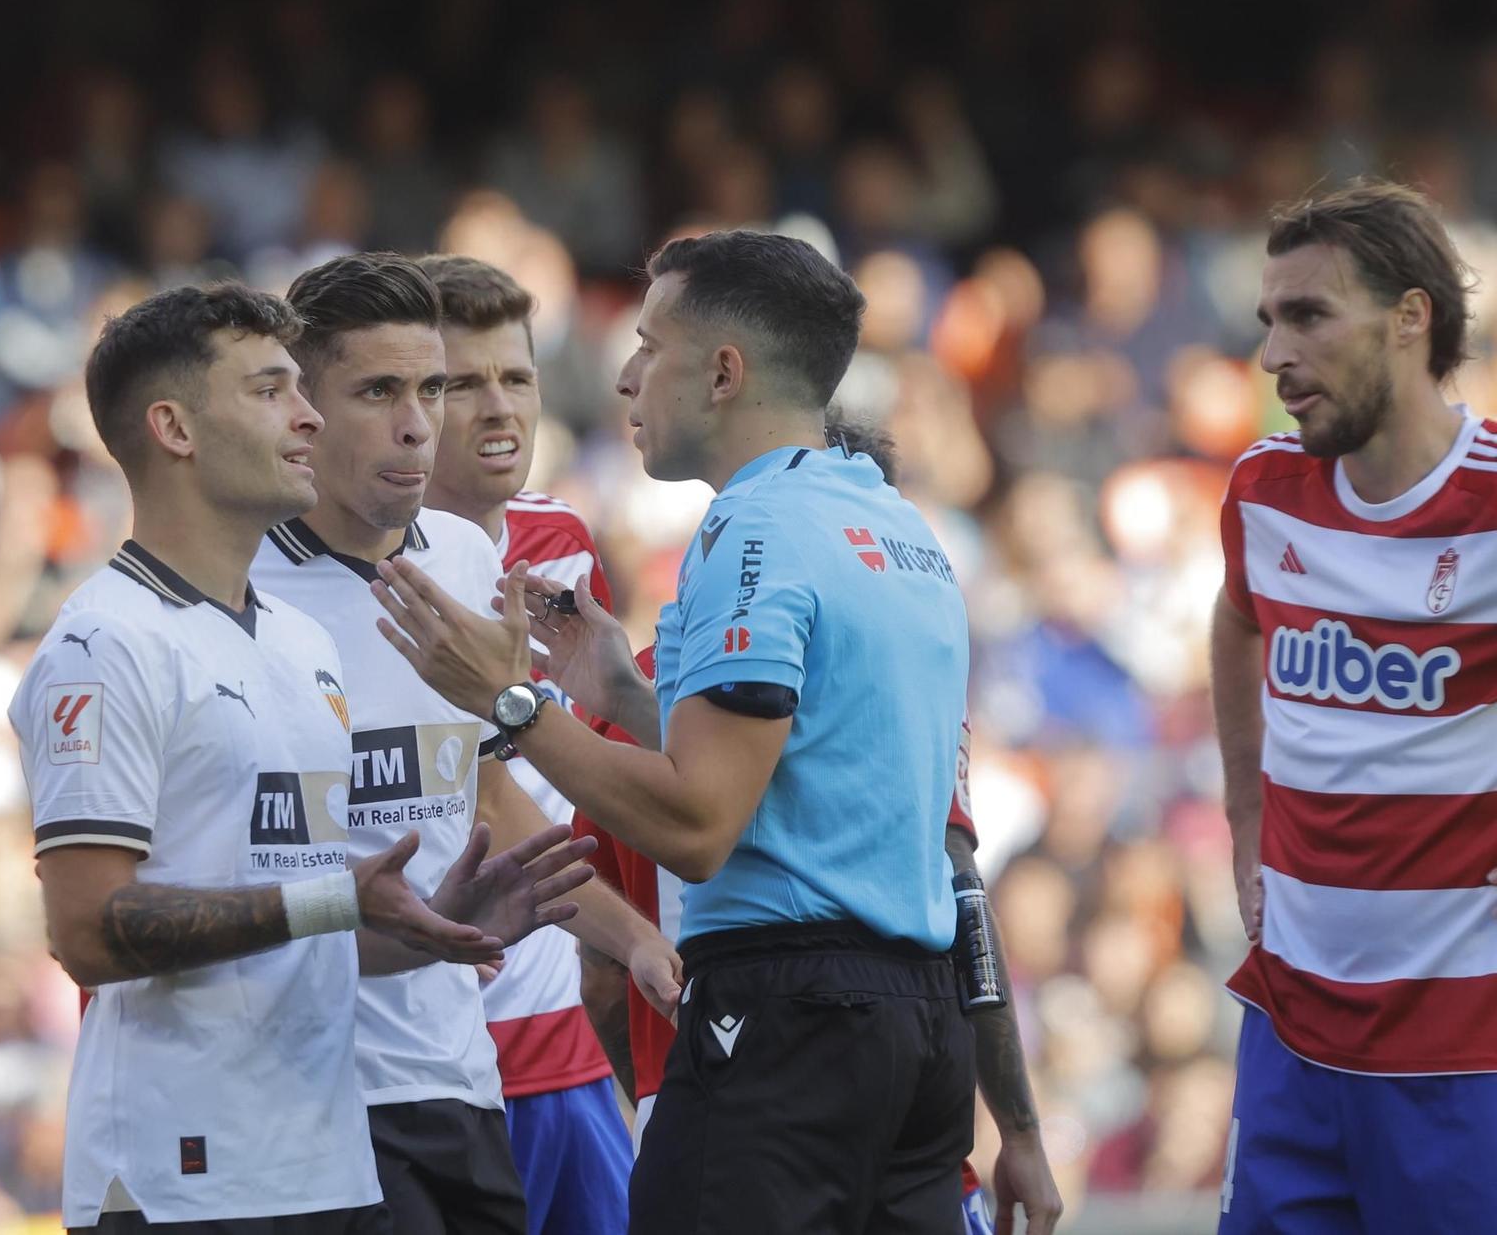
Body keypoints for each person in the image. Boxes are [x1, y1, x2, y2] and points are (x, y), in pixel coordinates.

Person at [374, 230, 980, 1233]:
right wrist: (621, 689)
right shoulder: (889, 519)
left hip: (790, 1022)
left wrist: (510, 704)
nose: (624, 375)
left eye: (650, 345)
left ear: (723, 372)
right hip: (916, 1019)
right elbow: (800, 768)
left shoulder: (747, 528)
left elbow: (701, 825)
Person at [10, 284, 595, 1234]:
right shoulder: (103, 643)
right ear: (174, 428)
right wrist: (335, 901)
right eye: (272, 389)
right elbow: (84, 932)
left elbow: (308, 922)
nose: (309, 414)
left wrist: (430, 926)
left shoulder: (296, 640)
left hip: (328, 1161)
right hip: (184, 1174)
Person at [252, 252, 679, 1235]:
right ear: (305, 411)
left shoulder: (507, 553)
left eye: (505, 380)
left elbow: (483, 784)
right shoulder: (235, 581)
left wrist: (631, 939)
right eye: (384, 391)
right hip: (311, 1092)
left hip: (478, 1071)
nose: (437, 417)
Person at [572, 405, 1058, 1235]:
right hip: (863, 1086)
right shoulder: (890, 693)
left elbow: (599, 966)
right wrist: (1018, 1127)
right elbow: (963, 894)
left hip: (710, 1104)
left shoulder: (631, 695)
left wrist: (658, 1093)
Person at [1215, 180, 1497, 1232]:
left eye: (1306, 315)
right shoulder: (1262, 490)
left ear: (1409, 317)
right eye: (1265, 321)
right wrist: (1244, 816)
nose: (1271, 355)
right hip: (1287, 1032)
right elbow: (1235, 619)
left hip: (1461, 1056)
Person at [419, 252, 632, 1235]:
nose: (498, 407)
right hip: (428, 1053)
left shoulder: (561, 543)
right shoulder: (372, 579)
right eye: (463, 384)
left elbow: (584, 774)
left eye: (516, 377)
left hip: (564, 1052)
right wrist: (644, 945)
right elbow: (492, 806)